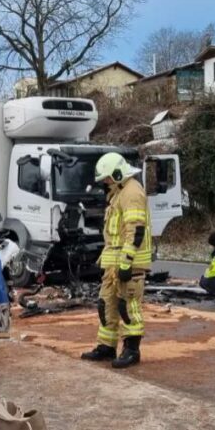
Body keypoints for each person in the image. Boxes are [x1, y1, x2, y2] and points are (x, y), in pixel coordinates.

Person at [81, 152, 151, 369]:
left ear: (118, 174)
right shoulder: (118, 193)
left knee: (128, 306)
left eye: (107, 178)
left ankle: (131, 350)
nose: (105, 183)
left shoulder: (132, 192)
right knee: (106, 304)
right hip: (113, 265)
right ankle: (106, 346)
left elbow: (135, 231)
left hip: (129, 264)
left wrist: (126, 262)